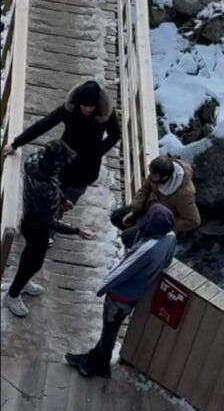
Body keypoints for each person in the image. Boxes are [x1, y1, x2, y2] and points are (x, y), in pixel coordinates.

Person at [65, 204, 176, 378]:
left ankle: (99, 366)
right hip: (135, 295)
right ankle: (93, 358)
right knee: (112, 329)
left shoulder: (148, 248)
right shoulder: (170, 239)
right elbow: (168, 261)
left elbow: (123, 270)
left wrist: (101, 288)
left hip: (119, 296)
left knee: (109, 331)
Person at [3, 140, 94, 317]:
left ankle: (23, 284)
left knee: (31, 260)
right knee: (33, 262)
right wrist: (77, 230)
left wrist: (61, 200)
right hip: (37, 228)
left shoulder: (35, 160)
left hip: (29, 218)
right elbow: (50, 222)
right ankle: (12, 294)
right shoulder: (42, 192)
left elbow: (51, 180)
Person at [3, 80, 120, 216]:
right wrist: (16, 143)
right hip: (63, 160)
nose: (87, 109)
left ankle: (54, 223)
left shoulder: (106, 113)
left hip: (87, 167)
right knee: (51, 195)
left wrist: (97, 153)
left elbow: (115, 135)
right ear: (78, 101)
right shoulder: (70, 109)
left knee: (66, 202)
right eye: (84, 105)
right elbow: (44, 124)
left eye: (91, 106)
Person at [111, 154, 200, 247]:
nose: (150, 176)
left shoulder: (184, 194)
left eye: (153, 174)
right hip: (146, 208)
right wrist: (134, 210)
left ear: (165, 177)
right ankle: (137, 235)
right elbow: (144, 191)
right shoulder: (155, 176)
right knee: (116, 217)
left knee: (127, 237)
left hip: (157, 221)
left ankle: (139, 242)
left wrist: (164, 223)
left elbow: (193, 221)